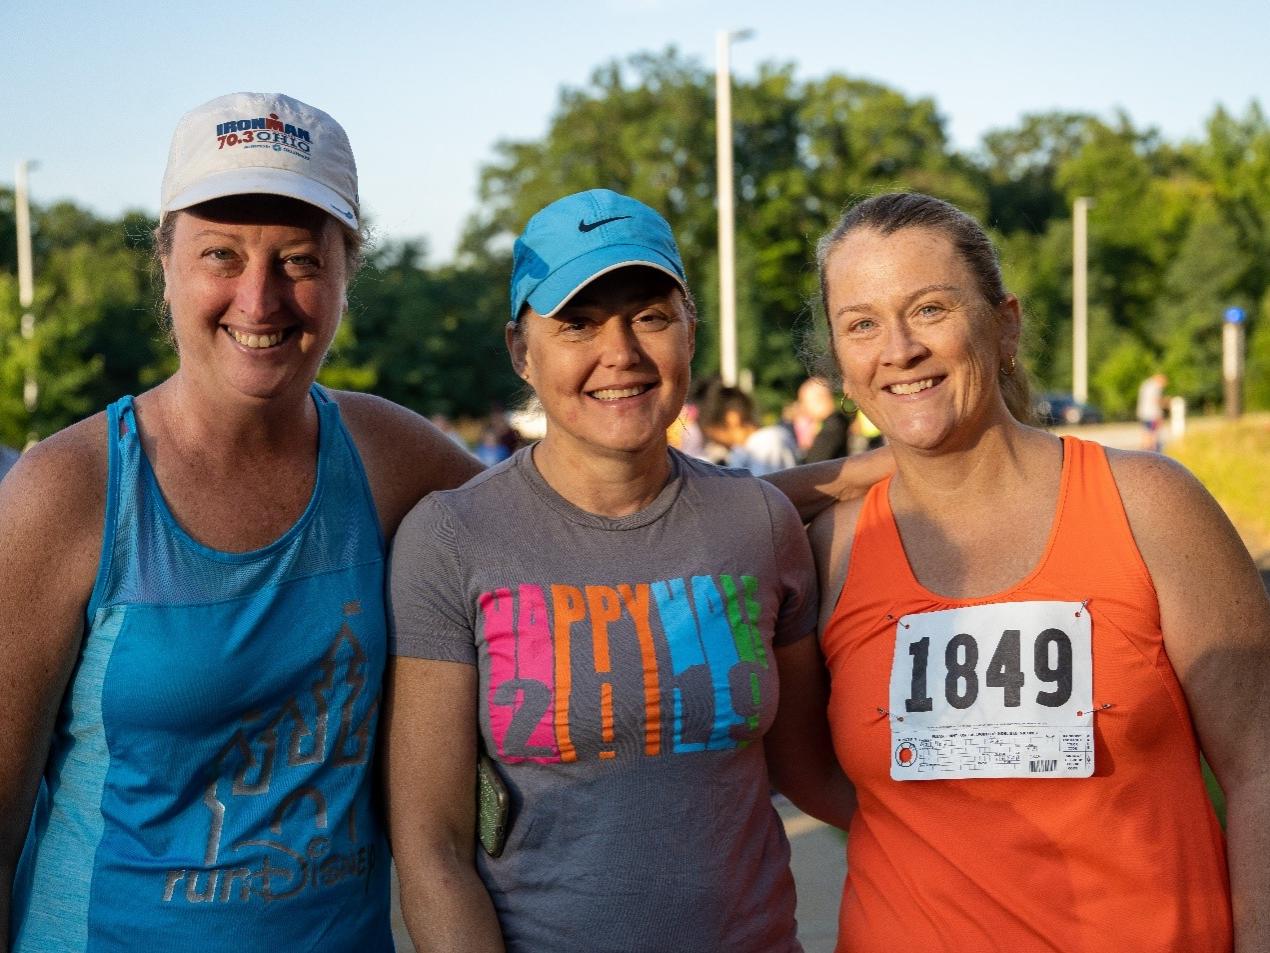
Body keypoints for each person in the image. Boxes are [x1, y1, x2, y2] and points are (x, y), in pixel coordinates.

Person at [0, 92, 481, 951]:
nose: (259, 300)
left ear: (346, 270)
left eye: (298, 259)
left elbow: (572, 517)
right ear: (166, 262)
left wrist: (799, 493)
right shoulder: (68, 491)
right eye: (220, 254)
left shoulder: (387, 456)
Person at [384, 189, 854, 953]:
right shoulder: (450, 540)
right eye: (577, 322)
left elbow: (811, 771)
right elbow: (433, 849)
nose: (622, 352)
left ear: (690, 332)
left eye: (650, 315)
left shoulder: (759, 524)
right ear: (520, 350)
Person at [804, 192, 1268, 952]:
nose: (898, 349)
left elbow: (1259, 763)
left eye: (928, 309)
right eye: (861, 324)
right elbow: (809, 773)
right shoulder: (826, 552)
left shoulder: (1149, 504)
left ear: (1006, 323)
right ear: (841, 366)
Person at [699, 381, 800, 476]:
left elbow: (760, 490)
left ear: (732, 417)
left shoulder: (767, 443)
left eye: (714, 433)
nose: (715, 440)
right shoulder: (745, 450)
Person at [1137, 371, 1168, 451]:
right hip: (1152, 414)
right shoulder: (1154, 386)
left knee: (1146, 432)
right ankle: (1152, 452)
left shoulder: (1146, 384)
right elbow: (1155, 401)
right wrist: (1166, 402)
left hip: (1144, 413)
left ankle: (1144, 452)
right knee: (1152, 433)